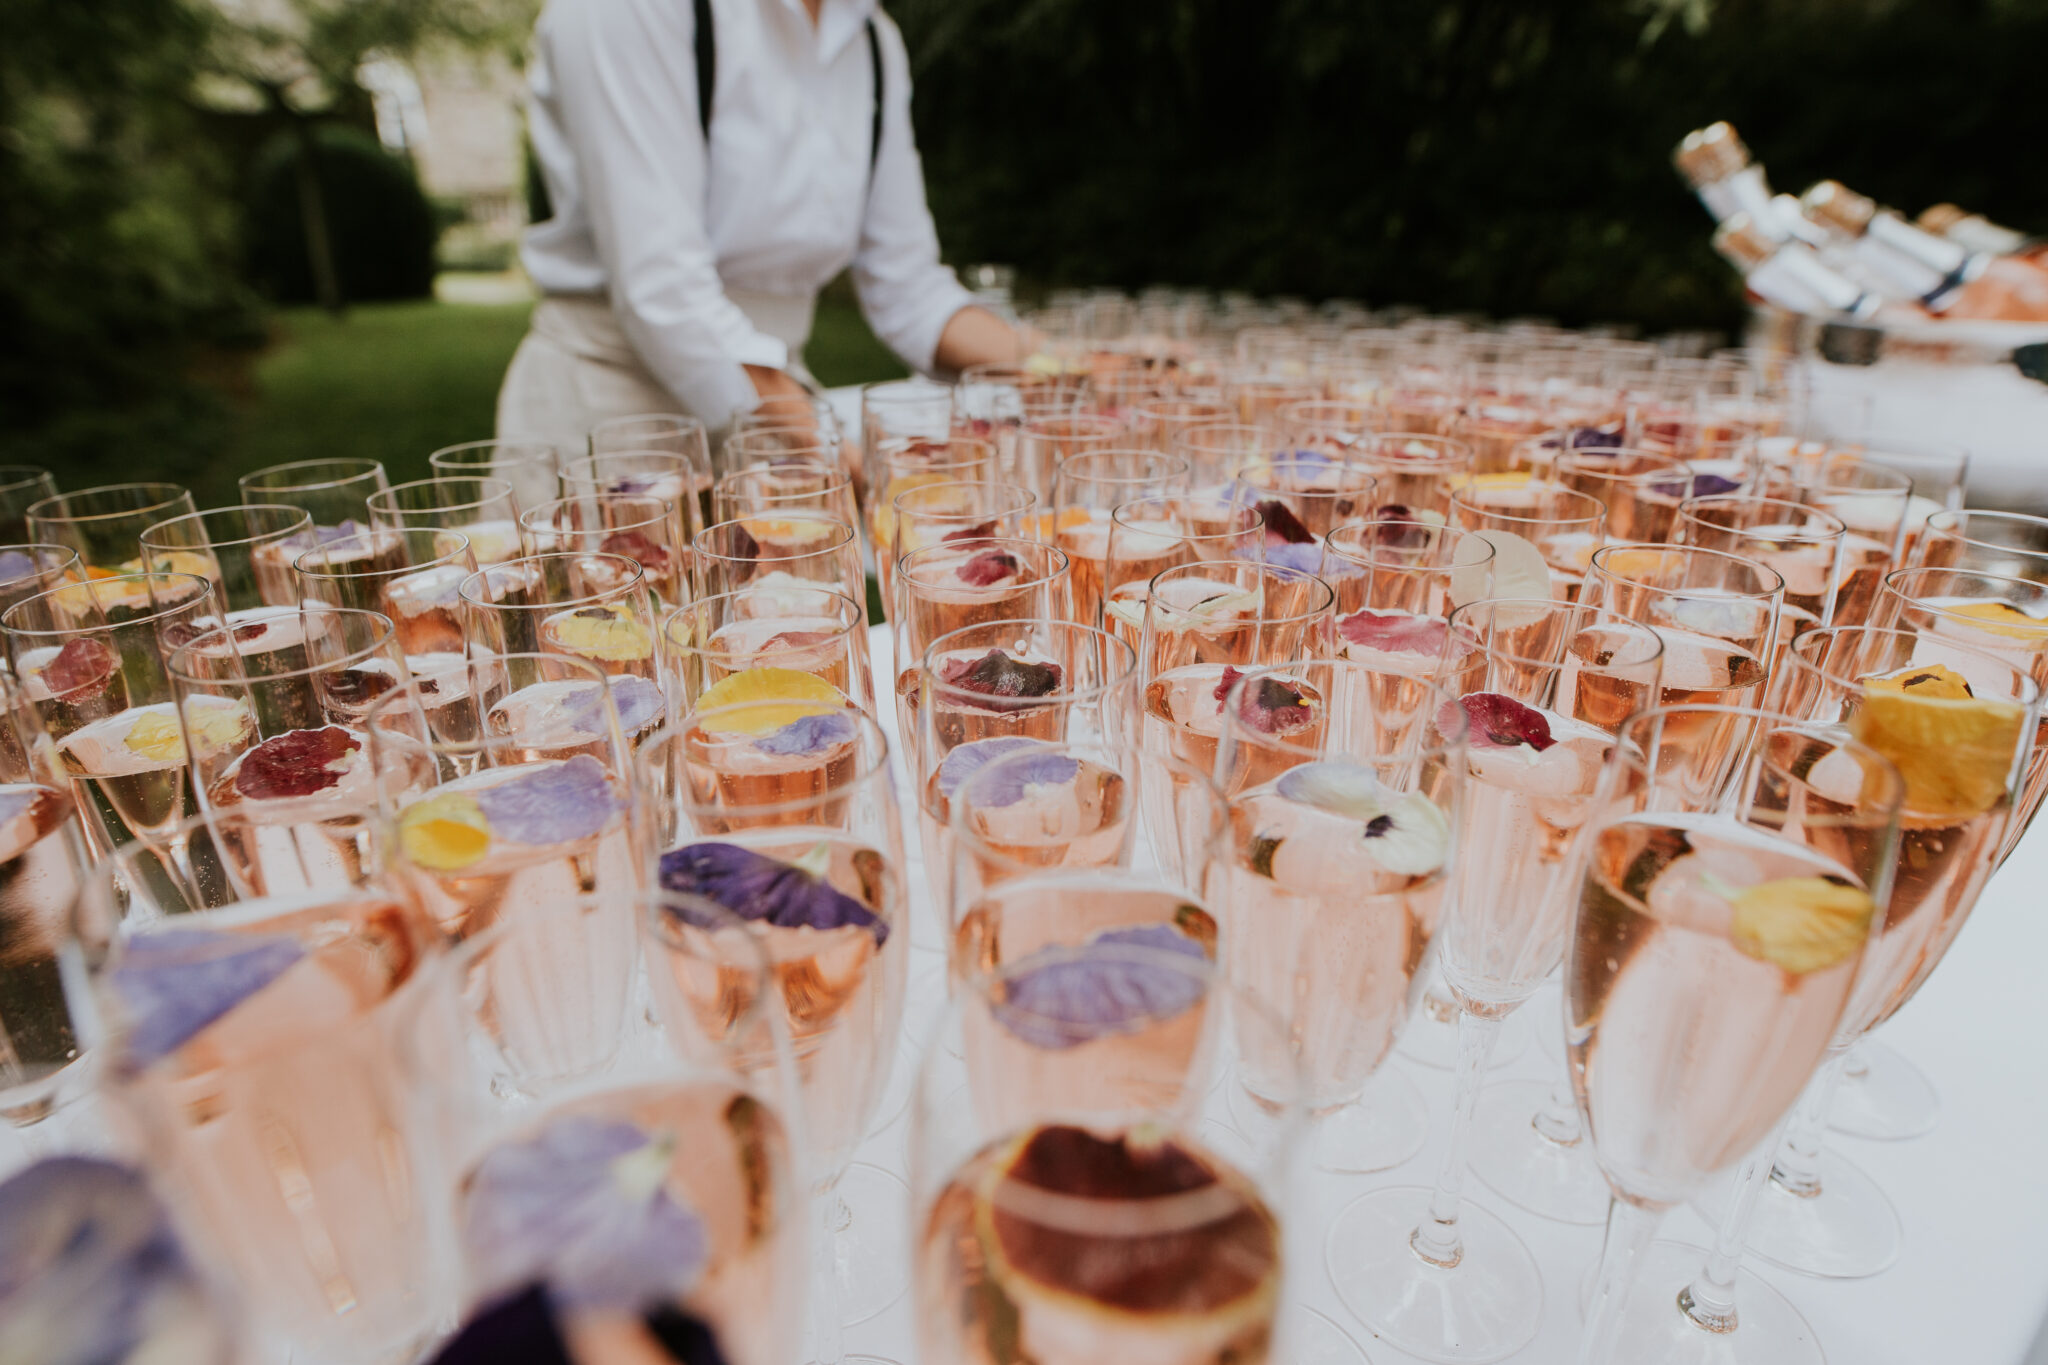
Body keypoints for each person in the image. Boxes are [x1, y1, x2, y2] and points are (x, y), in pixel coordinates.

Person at [497, 0, 1022, 458]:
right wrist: (854, 460)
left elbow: (906, 284)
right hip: (612, 417)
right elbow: (664, 293)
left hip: (777, 415)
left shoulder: (872, 37)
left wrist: (1061, 368)